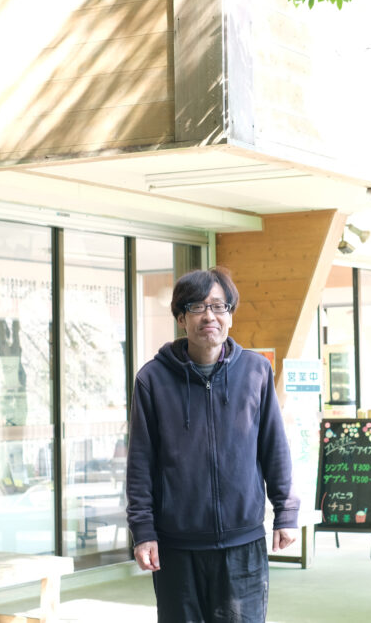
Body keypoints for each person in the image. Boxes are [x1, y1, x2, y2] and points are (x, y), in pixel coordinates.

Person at [126, 266, 300, 623]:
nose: (209, 316)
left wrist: (286, 512)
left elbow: (274, 446)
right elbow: (140, 462)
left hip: (242, 542)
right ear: (181, 318)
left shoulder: (256, 372)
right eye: (197, 307)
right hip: (177, 546)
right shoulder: (152, 379)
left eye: (219, 306)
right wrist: (143, 531)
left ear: (230, 316)